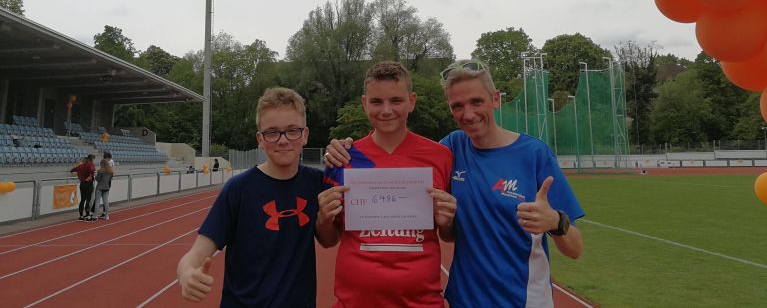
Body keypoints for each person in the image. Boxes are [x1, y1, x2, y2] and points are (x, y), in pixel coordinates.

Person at [326, 59, 584, 307]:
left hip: (523, 300)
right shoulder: (450, 149)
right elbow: (400, 156)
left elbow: (575, 249)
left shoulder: (534, 154)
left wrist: (554, 221)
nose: (468, 114)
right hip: (463, 299)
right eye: (457, 105)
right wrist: (340, 146)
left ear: (496, 99)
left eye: (476, 102)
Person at [318, 61, 456, 308]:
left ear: (411, 101)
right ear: (364, 103)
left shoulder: (441, 156)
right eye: (376, 102)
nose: (386, 110)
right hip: (355, 302)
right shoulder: (343, 157)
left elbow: (447, 234)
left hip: (422, 302)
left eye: (396, 100)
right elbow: (329, 240)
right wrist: (323, 218)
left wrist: (447, 222)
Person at [176, 87, 326, 306]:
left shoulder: (317, 183)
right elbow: (195, 255)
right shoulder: (239, 189)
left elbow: (330, 239)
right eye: (272, 132)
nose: (283, 140)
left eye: (292, 130)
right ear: (260, 139)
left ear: (305, 135)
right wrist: (187, 274)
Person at [70, 154, 96, 221]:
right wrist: (89, 177)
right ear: (90, 159)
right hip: (88, 184)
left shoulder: (80, 166)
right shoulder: (91, 165)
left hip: (82, 184)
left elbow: (72, 170)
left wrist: (78, 174)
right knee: (88, 200)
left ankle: (81, 216)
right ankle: (87, 216)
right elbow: (92, 172)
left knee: (82, 200)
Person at [93, 153, 114, 220]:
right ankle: (107, 215)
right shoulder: (111, 172)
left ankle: (95, 216)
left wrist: (95, 176)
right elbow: (110, 179)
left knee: (97, 202)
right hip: (106, 187)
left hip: (99, 187)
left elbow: (98, 179)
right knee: (106, 202)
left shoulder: (100, 171)